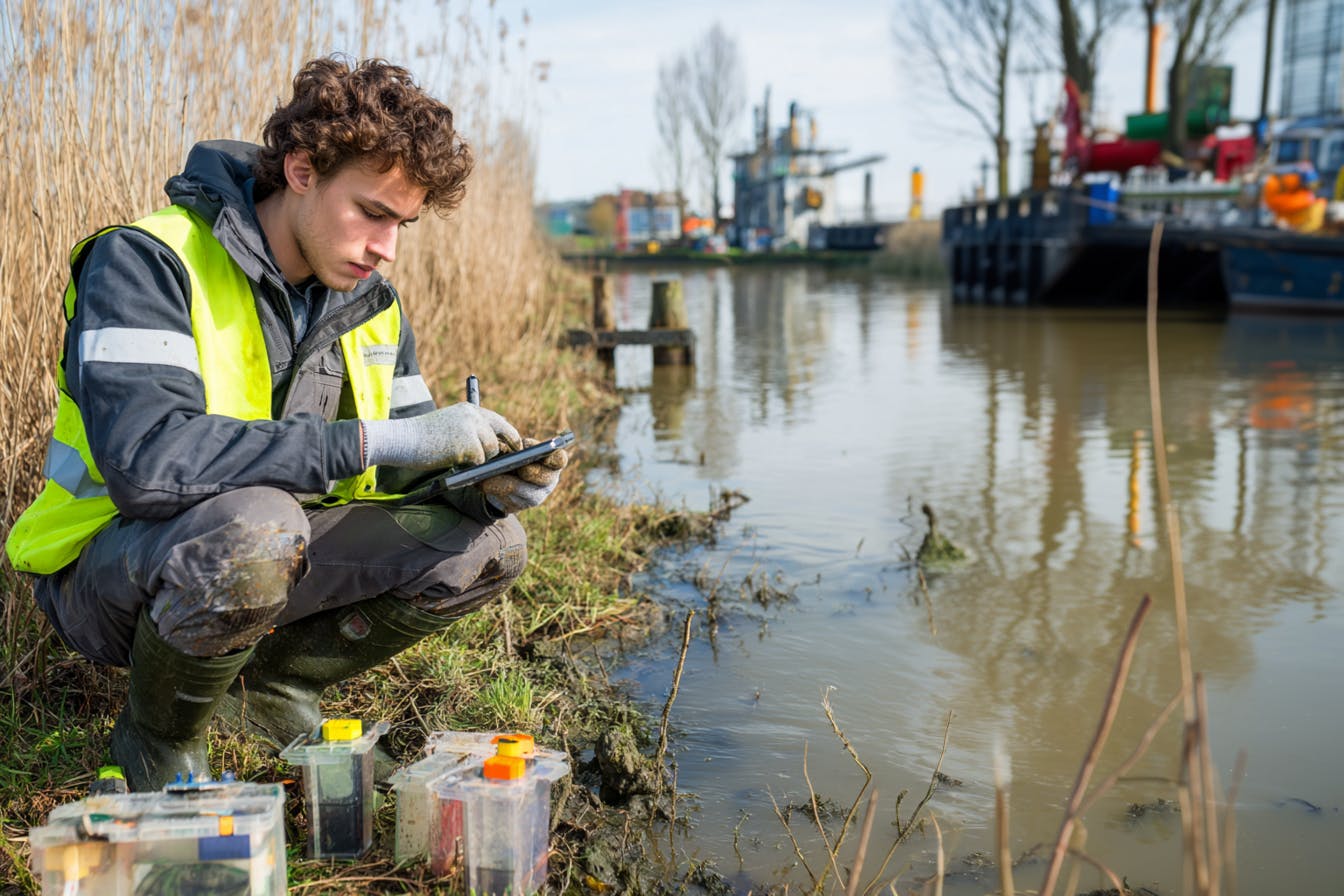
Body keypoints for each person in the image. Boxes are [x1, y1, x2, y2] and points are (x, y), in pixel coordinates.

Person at [4, 55, 568, 792]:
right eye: (371, 212)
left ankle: (270, 689)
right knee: (260, 526)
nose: (387, 248)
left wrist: (483, 485)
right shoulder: (147, 262)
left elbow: (404, 466)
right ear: (301, 170)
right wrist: (381, 440)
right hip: (110, 573)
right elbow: (148, 463)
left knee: (491, 545)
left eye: (402, 223)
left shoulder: (372, 304)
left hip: (270, 552)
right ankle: (159, 737)